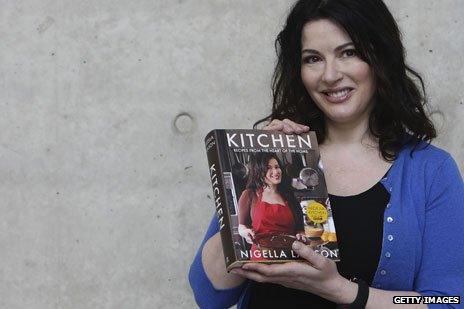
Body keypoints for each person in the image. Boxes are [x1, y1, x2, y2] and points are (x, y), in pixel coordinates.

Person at [189, 0, 464, 308]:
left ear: (380, 57)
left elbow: (449, 301)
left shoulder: (430, 171)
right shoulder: (275, 156)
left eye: (349, 52)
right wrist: (249, 168)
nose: (330, 75)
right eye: (313, 59)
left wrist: (342, 290)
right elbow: (209, 295)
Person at [237, 153, 305, 260]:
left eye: (277, 167)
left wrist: (301, 235)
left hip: (290, 255)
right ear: (259, 171)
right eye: (268, 168)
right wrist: (245, 232)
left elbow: (300, 229)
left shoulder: (289, 196)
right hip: (262, 255)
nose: (276, 172)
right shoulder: (250, 194)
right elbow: (242, 226)